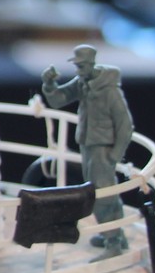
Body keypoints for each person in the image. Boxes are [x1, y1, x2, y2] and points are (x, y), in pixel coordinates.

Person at [39, 45, 133, 251]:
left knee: (102, 195)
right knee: (101, 192)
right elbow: (59, 99)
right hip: (88, 145)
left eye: (81, 66)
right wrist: (49, 85)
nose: (78, 70)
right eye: (77, 66)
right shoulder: (83, 83)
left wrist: (115, 154)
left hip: (102, 149)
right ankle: (115, 235)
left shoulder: (110, 91)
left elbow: (125, 125)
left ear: (91, 64)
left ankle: (113, 242)